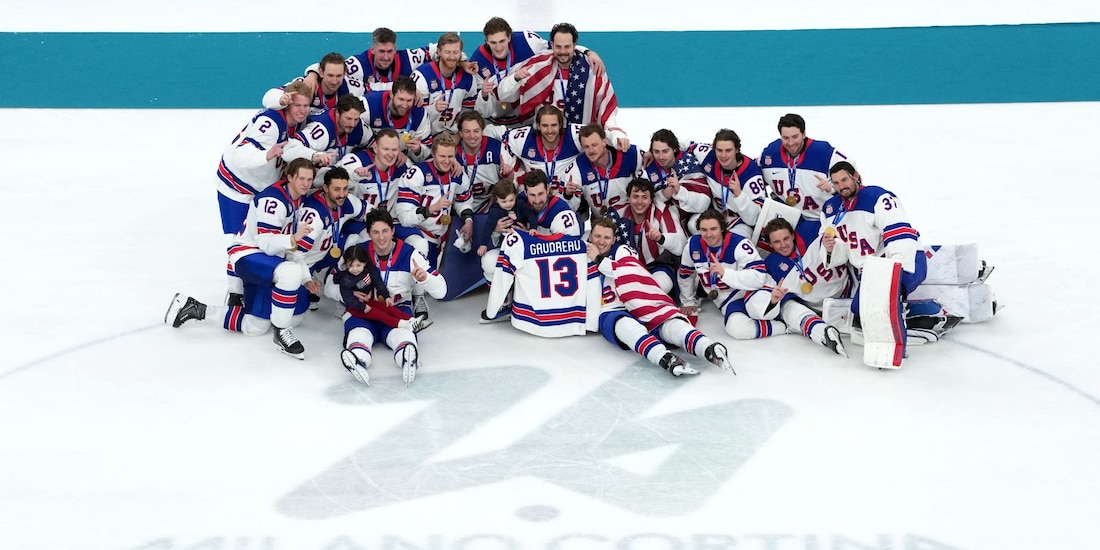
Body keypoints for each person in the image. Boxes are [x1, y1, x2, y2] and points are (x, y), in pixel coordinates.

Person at [167, 159, 319, 359]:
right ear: (290, 177)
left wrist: (306, 278)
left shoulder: (296, 199)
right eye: (301, 178)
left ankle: (195, 308)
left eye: (309, 179)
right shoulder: (273, 200)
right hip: (248, 255)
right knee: (290, 272)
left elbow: (289, 248)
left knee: (255, 326)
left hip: (268, 261)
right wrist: (292, 239)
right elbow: (266, 243)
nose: (306, 184)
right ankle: (281, 333)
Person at [819, 161, 959, 343]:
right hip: (872, 274)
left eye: (844, 179)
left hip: (902, 263)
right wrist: (831, 248)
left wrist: (892, 272)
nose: (841, 186)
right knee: (859, 312)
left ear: (855, 176)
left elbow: (899, 234)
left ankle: (901, 314)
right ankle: (928, 310)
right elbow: (843, 252)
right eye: (836, 183)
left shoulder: (877, 197)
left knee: (879, 307)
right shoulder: (830, 210)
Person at [587, 218, 734, 375]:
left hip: (638, 300)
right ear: (590, 236)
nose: (601, 242)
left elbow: (626, 269)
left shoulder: (622, 250)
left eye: (607, 237)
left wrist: (598, 258)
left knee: (667, 323)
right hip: (611, 308)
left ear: (614, 239)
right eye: (597, 236)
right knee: (625, 326)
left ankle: (707, 346)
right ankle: (663, 357)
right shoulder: (578, 254)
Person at [326, 209, 447, 386]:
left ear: (392, 230)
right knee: (359, 334)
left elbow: (442, 291)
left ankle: (407, 357)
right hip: (362, 310)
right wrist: (347, 293)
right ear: (368, 233)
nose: (381, 237)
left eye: (385, 231)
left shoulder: (410, 254)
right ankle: (358, 359)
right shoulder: (357, 254)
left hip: (396, 308)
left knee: (403, 335)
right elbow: (329, 285)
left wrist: (425, 278)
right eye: (375, 232)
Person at [496, 22, 627, 147]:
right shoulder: (537, 65)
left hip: (579, 144)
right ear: (552, 45)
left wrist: (615, 135)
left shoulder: (592, 70)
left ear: (574, 45)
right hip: (544, 141)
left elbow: (607, 109)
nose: (563, 51)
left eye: (567, 47)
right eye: (558, 47)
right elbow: (503, 94)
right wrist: (515, 79)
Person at [471, 17, 604, 128]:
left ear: (509, 37)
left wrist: (588, 52)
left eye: (502, 41)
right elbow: (479, 109)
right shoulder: (477, 62)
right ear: (486, 40)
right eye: (493, 42)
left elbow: (558, 47)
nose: (498, 47)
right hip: (495, 122)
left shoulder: (527, 41)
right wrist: (484, 94)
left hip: (527, 120)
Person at [678, 209, 787, 340]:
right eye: (703, 230)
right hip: (729, 301)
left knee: (760, 309)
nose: (708, 234)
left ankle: (786, 317)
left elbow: (758, 277)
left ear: (722, 228)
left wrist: (725, 274)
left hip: (753, 291)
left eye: (713, 229)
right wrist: (687, 300)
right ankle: (783, 327)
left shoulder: (739, 244)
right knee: (737, 329)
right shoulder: (692, 244)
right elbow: (686, 273)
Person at [757, 218, 849, 356]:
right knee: (786, 303)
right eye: (776, 242)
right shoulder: (770, 264)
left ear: (793, 235)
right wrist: (775, 297)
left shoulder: (811, 231)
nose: (783, 245)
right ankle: (820, 331)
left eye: (786, 238)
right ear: (770, 244)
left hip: (848, 291)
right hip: (820, 310)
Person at [759, 113, 850, 244]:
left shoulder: (824, 152)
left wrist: (833, 188)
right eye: (785, 138)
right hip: (789, 218)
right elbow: (754, 174)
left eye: (795, 137)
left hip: (820, 218)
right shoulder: (770, 154)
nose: (790, 143)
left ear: (804, 133)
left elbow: (853, 178)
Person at [479, 170, 581, 282]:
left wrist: (530, 238)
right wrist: (496, 230)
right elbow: (497, 242)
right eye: (532, 195)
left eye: (540, 194)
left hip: (551, 266)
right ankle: (506, 296)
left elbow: (570, 252)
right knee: (489, 261)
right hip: (522, 257)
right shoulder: (515, 201)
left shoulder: (560, 211)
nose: (537, 200)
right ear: (525, 192)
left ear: (548, 190)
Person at [393, 132, 475, 271]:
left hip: (437, 236)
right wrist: (431, 208)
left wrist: (468, 221)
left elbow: (463, 201)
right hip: (413, 231)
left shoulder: (457, 174)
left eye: (450, 156)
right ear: (433, 153)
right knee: (421, 255)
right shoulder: (417, 173)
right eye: (442, 156)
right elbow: (404, 218)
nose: (447, 161)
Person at [294, 167, 371, 308]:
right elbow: (296, 254)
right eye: (336, 189)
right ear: (325, 188)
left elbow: (373, 215)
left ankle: (348, 299)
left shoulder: (345, 200)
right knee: (297, 314)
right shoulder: (314, 215)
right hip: (306, 262)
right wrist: (305, 279)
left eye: (345, 188)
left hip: (328, 254)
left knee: (364, 235)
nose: (342, 194)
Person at [605, 177, 684, 294]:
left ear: (651, 199)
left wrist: (661, 238)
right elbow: (599, 236)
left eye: (645, 197)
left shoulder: (662, 211)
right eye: (635, 196)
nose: (640, 202)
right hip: (624, 268)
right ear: (628, 198)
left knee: (656, 289)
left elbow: (681, 244)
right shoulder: (616, 214)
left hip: (657, 267)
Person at [331, 244, 431, 333]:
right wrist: (361, 307)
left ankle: (412, 320)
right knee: (381, 315)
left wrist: (386, 296)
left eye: (358, 265)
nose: (355, 269)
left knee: (388, 308)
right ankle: (406, 326)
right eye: (351, 265)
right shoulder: (346, 280)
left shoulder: (368, 269)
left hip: (369, 301)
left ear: (364, 263)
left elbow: (378, 282)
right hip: (356, 307)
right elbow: (348, 298)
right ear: (346, 264)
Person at [692, 129, 768, 238]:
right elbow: (687, 145)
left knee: (734, 239)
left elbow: (754, 218)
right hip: (714, 215)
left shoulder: (751, 175)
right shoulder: (707, 155)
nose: (723, 155)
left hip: (740, 222)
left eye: (728, 150)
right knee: (693, 224)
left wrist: (739, 194)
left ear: (736, 149)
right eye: (719, 150)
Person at [502, 105, 585, 198]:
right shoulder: (524, 139)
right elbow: (504, 138)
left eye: (554, 125)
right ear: (538, 126)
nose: (550, 131)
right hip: (534, 201)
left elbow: (599, 136)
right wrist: (514, 168)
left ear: (561, 125)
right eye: (545, 125)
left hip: (567, 201)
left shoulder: (574, 136)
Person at [561, 123, 643, 217]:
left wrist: (650, 154)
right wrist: (568, 195)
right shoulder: (577, 168)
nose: (591, 150)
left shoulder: (630, 154)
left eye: (594, 145)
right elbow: (569, 209)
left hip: (631, 221)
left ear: (604, 142)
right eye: (586, 147)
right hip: (600, 225)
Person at [641, 128, 711, 230]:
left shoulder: (689, 163)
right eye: (656, 151)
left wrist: (680, 191)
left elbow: (705, 203)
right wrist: (663, 195)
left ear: (674, 149)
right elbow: (641, 201)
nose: (660, 156)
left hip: (696, 213)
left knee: (695, 225)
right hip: (671, 216)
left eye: (665, 151)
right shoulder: (648, 168)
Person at [411, 32, 479, 136]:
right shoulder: (422, 76)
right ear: (438, 51)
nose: (452, 57)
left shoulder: (468, 77)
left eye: (456, 52)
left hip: (453, 135)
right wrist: (434, 109)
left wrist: (458, 136)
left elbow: (468, 114)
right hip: (426, 136)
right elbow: (413, 115)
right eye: (447, 52)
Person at [282, 95, 371, 171]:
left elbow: (375, 147)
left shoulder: (359, 127)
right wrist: (314, 156)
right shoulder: (323, 130)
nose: (352, 124)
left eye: (356, 119)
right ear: (337, 113)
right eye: (348, 119)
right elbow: (287, 149)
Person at [262, 52, 362, 116]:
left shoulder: (351, 87)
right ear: (321, 72)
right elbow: (267, 98)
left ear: (344, 74)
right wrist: (281, 100)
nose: (334, 81)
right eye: (330, 75)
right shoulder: (305, 84)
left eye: (339, 76)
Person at [454, 110, 516, 214]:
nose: (472, 136)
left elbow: (509, 188)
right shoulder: (451, 154)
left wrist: (508, 177)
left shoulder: (497, 149)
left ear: (482, 131)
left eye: (476, 131)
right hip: (457, 208)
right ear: (460, 133)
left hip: (490, 206)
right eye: (467, 131)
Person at [360, 76, 432, 163]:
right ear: (391, 94)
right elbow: (354, 129)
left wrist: (418, 150)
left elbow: (427, 152)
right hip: (370, 155)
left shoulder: (419, 114)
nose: (405, 105)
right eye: (401, 99)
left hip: (400, 160)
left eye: (409, 100)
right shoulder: (369, 104)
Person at [336, 128, 408, 214]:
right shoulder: (356, 162)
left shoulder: (403, 166)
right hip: (357, 221)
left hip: (386, 222)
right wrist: (353, 177)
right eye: (386, 149)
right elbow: (331, 184)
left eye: (394, 150)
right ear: (375, 148)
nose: (390, 154)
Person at [475, 180, 537, 258]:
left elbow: (530, 215)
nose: (508, 204)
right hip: (504, 241)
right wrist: (483, 244)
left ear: (515, 195)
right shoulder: (495, 210)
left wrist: (533, 228)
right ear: (496, 200)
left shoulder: (520, 204)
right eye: (504, 202)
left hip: (522, 238)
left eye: (511, 200)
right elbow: (488, 227)